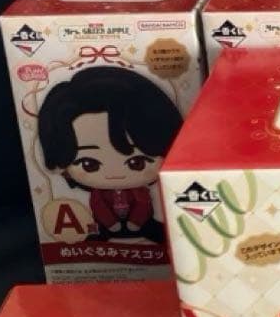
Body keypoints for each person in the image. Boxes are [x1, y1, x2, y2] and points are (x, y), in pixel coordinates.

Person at [37, 67, 182, 244]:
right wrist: (110, 223)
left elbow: (143, 204)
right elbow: (98, 206)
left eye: (137, 162)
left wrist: (136, 222)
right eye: (89, 164)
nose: (115, 174)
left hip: (143, 224)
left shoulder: (140, 191)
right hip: (105, 227)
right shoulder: (99, 194)